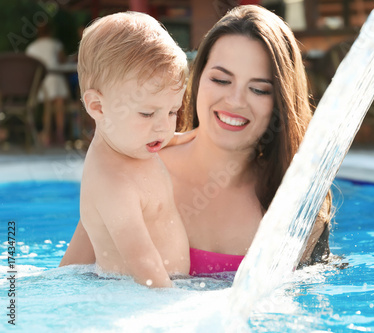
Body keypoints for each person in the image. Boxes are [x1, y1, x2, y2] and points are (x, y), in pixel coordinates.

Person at [60, 5, 332, 276]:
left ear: (281, 102)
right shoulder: (134, 169)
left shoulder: (295, 200)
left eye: (258, 89)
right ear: (198, 78)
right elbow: (68, 284)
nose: (235, 101)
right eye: (221, 80)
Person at [75, 12, 190, 287]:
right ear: (98, 107)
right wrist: (175, 303)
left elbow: (172, 136)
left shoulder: (133, 142)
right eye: (148, 113)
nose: (164, 128)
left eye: (173, 111)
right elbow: (141, 260)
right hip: (134, 293)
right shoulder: (112, 181)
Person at [26, 22, 70, 146]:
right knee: (59, 102)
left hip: (41, 82)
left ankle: (47, 134)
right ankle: (60, 133)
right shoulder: (55, 44)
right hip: (55, 77)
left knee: (47, 106)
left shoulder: (31, 47)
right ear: (50, 31)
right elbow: (63, 60)